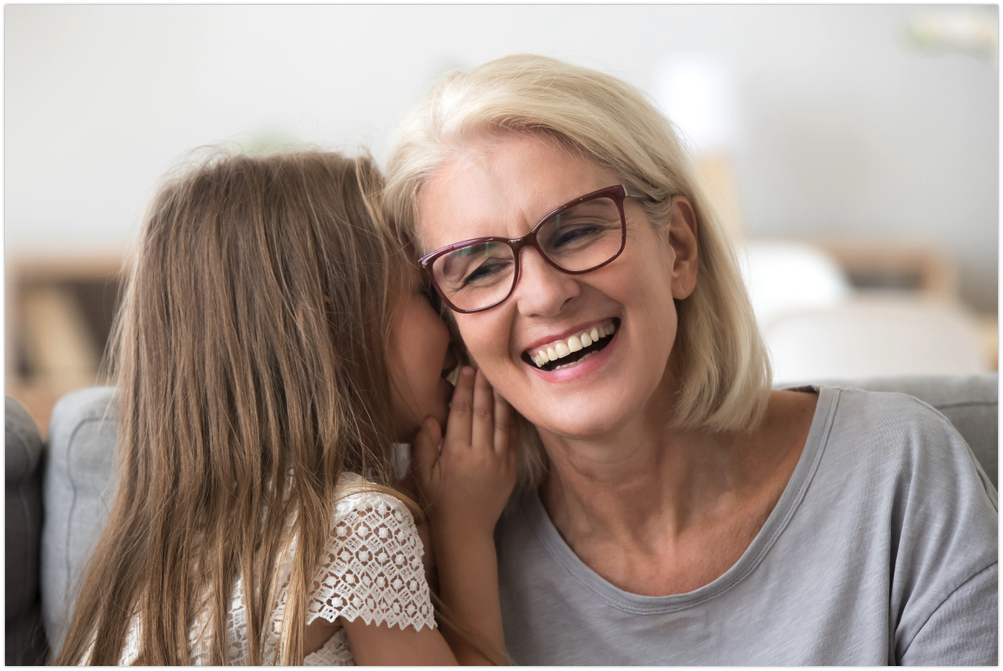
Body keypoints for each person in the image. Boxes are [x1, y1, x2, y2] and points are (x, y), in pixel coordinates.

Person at [383, 54, 998, 665]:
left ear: (677, 247)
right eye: (482, 268)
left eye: (575, 233)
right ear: (453, 326)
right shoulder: (427, 540)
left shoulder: (899, 469)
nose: (545, 295)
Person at [54, 151, 516, 665]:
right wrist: (465, 530)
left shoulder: (165, 558)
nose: (455, 329)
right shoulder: (360, 523)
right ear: (333, 328)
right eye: (425, 296)